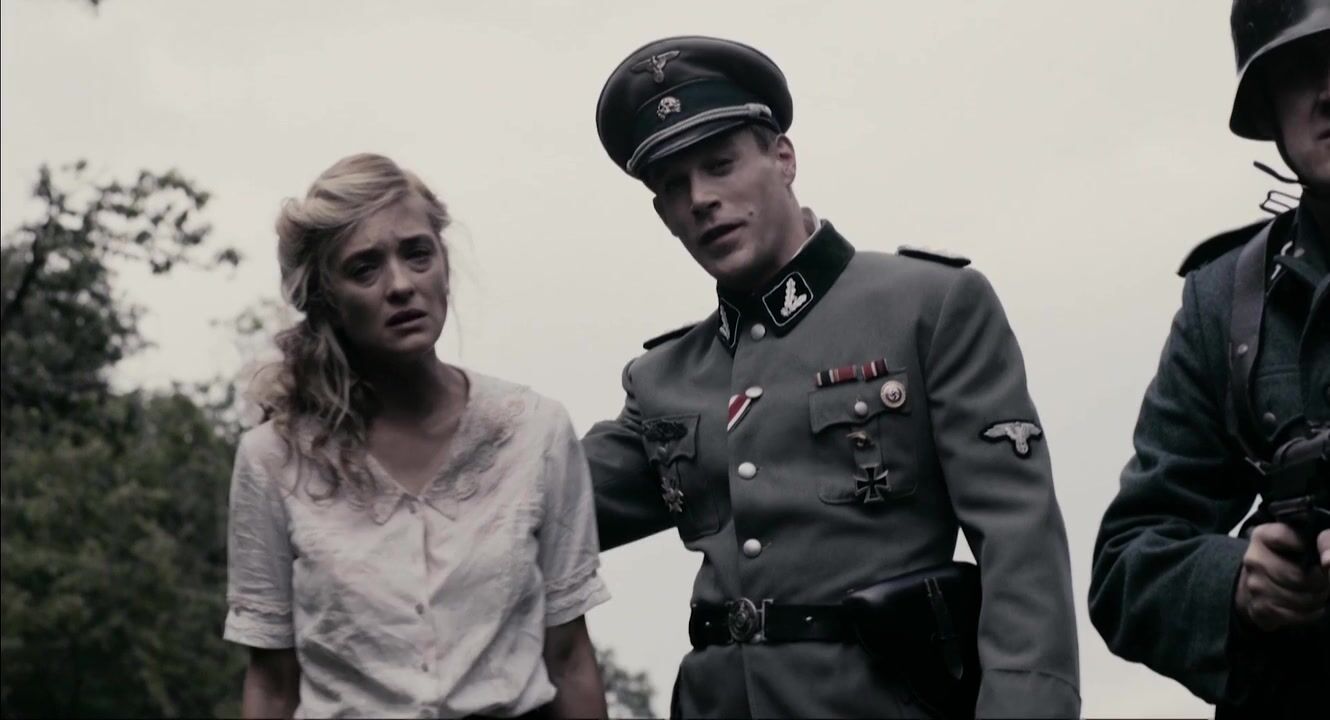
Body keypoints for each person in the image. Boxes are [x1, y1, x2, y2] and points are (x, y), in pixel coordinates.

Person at [582, 36, 1081, 718]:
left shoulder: (926, 307)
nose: (700, 199)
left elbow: (1019, 546)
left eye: (721, 165)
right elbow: (533, 502)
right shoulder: (661, 379)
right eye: (673, 186)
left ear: (784, 159)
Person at [222, 153, 609, 719]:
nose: (401, 285)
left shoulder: (535, 431)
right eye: (364, 269)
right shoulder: (272, 460)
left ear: (444, 265)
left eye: (417, 254)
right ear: (328, 298)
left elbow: (570, 657)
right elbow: (272, 684)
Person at [1089, 1, 1330, 717]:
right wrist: (1236, 582)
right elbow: (1125, 565)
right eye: (1299, 69)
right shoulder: (1227, 301)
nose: (1328, 93)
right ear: (1268, 106)